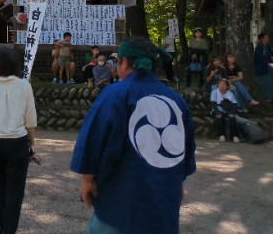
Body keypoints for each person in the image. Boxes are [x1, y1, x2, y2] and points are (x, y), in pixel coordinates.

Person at [71, 36, 197, 234]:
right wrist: (178, 181)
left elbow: (94, 137)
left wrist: (87, 179)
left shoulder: (116, 93)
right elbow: (185, 146)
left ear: (124, 63)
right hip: (163, 197)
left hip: (122, 198)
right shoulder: (175, 99)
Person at [0, 47, 36, 234]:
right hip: (17, 141)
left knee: (0, 182)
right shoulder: (24, 85)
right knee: (15, 189)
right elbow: (30, 119)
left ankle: (0, 224)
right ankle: (9, 229)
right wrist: (32, 143)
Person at [253, 31, 273, 101]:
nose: (268, 39)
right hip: (263, 67)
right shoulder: (259, 48)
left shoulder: (268, 47)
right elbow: (259, 58)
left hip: (269, 65)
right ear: (262, 39)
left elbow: (271, 54)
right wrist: (269, 58)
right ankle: (269, 97)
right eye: (266, 37)